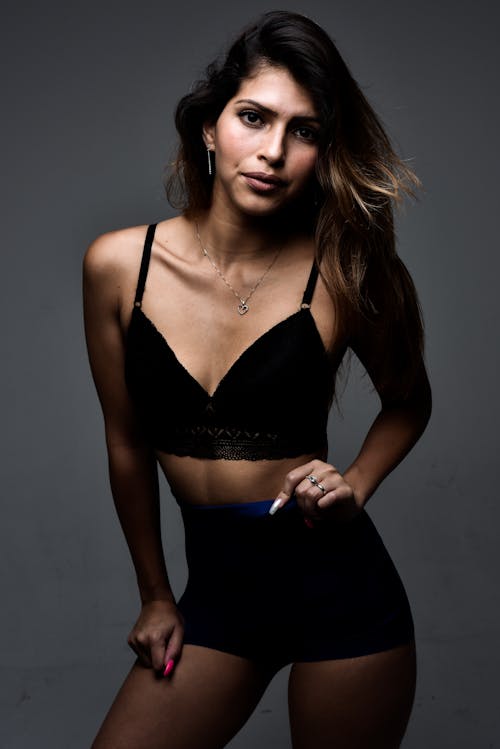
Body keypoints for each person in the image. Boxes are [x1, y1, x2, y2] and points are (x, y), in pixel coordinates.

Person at [83, 10, 432, 749]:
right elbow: (125, 442)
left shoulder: (345, 270)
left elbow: (408, 399)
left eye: (303, 131)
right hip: (216, 600)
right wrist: (154, 595)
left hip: (342, 594)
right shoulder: (119, 265)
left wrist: (357, 482)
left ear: (324, 151)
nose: (272, 151)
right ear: (210, 127)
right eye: (253, 117)